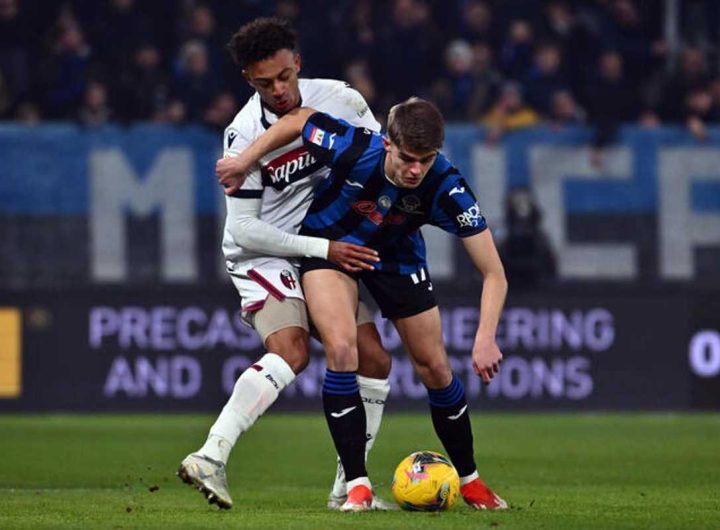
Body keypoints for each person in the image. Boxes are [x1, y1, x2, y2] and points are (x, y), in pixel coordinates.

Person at [216, 97, 508, 512]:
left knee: (435, 367)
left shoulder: (448, 187)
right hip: (332, 248)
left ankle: (471, 481)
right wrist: (245, 160)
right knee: (342, 350)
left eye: (425, 160)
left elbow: (494, 273)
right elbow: (300, 120)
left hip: (397, 257)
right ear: (387, 143)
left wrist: (486, 338)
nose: (415, 170)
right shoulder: (354, 145)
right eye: (407, 158)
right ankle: (356, 486)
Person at [177, 17, 394, 511]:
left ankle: (350, 488)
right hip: (265, 254)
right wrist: (324, 249)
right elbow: (244, 230)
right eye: (264, 83)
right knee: (292, 350)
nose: (277, 90)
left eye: (283, 77)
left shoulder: (341, 100)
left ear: (297, 63)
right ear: (247, 80)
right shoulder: (242, 136)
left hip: (320, 248)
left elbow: (378, 163)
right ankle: (211, 455)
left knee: (375, 359)